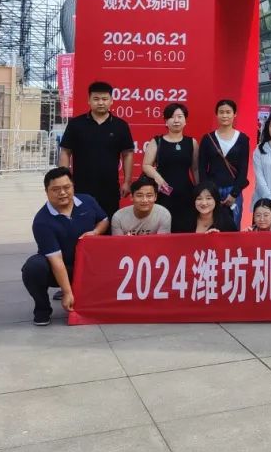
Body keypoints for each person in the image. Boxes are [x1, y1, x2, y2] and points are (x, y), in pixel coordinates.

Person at [21, 167, 108, 326]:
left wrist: (96, 232)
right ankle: (42, 308)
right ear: (46, 192)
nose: (62, 193)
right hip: (62, 268)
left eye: (67, 187)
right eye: (56, 189)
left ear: (73, 186)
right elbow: (56, 261)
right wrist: (67, 292)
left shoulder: (87, 201)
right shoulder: (42, 221)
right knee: (33, 267)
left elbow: (104, 220)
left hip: (89, 267)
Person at [57, 80, 134, 221]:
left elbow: (127, 154)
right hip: (80, 186)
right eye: (96, 99)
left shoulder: (120, 126)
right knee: (82, 224)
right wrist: (64, 180)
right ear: (89, 100)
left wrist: (127, 182)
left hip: (110, 187)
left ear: (111, 100)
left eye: (104, 99)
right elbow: (65, 152)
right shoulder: (76, 124)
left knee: (108, 223)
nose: (100, 103)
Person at [141, 102, 197, 233]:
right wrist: (158, 178)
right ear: (166, 121)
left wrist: (199, 190)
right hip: (163, 193)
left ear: (185, 121)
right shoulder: (157, 141)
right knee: (162, 229)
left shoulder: (192, 142)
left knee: (185, 229)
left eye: (180, 117)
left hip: (186, 194)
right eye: (171, 117)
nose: (176, 120)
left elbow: (195, 169)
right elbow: (146, 165)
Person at [197, 99, 252, 228]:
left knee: (233, 227)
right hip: (212, 190)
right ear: (216, 114)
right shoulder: (208, 138)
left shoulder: (242, 138)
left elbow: (243, 169)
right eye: (221, 112)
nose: (225, 115)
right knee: (211, 226)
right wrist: (208, 192)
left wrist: (234, 194)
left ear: (235, 114)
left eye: (228, 112)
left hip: (233, 190)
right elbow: (201, 168)